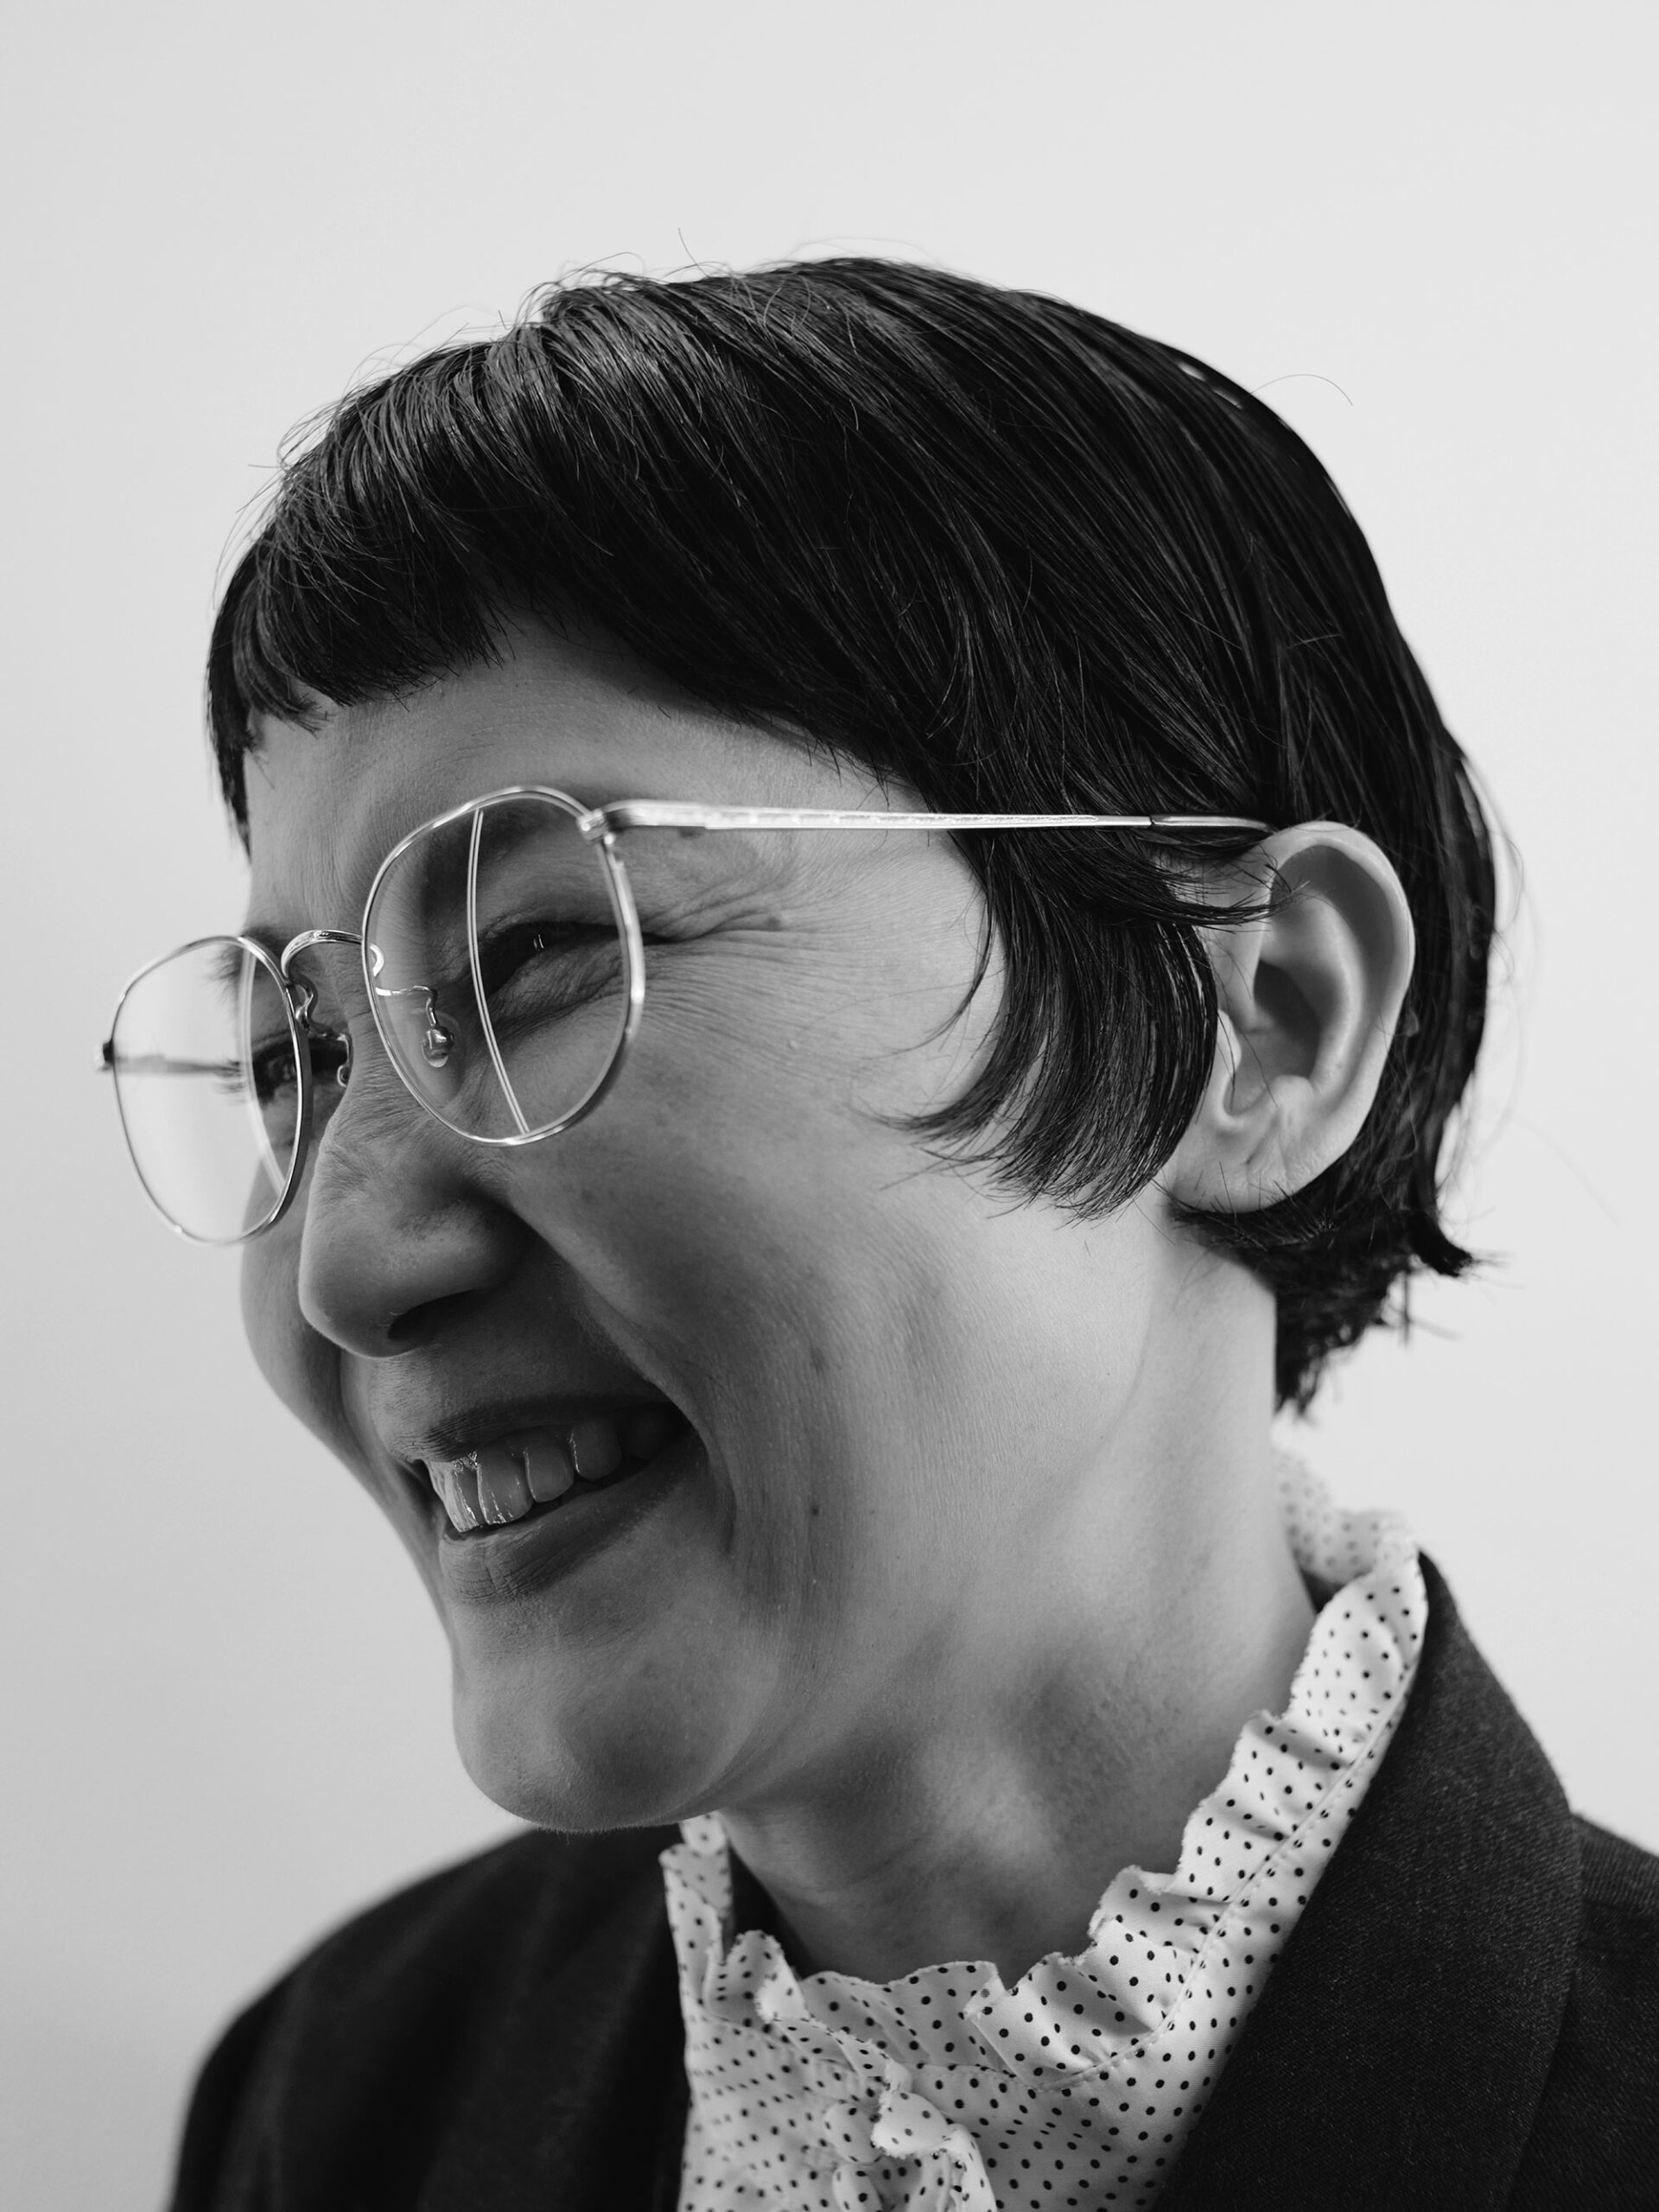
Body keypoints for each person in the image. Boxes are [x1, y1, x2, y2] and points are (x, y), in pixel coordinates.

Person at [104, 259, 1657, 2209]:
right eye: (293, 1057)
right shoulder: (337, 2104)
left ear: (1261, 1018)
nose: (346, 1264)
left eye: (544, 949)